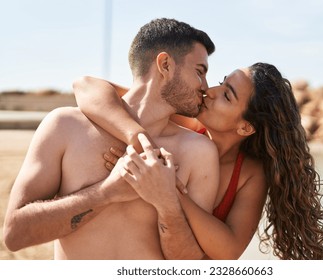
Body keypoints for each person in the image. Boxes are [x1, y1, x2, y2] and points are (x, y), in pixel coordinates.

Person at [3, 18, 220, 260]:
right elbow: (14, 235)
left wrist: (166, 203)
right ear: (165, 64)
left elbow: (193, 267)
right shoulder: (65, 126)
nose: (205, 86)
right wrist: (107, 192)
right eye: (199, 72)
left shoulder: (199, 152)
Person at [74, 62, 323, 260]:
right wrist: (142, 143)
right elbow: (86, 85)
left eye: (227, 95)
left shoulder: (249, 173)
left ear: (246, 127)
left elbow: (229, 252)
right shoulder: (184, 121)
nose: (210, 91)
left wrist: (170, 189)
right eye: (222, 82)